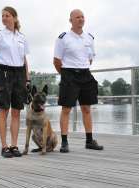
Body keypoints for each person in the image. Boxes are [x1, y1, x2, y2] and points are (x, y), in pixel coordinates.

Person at [53, 9, 103, 153]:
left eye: (82, 17)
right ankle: (64, 142)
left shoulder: (90, 38)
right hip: (69, 74)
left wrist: (83, 68)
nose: (80, 19)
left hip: (85, 75)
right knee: (66, 109)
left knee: (86, 108)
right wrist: (65, 75)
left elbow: (90, 58)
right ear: (71, 20)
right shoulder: (63, 38)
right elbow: (56, 61)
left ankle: (89, 141)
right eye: (77, 17)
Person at [0, 6, 30, 158]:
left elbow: (24, 59)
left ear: (14, 17)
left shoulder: (22, 37)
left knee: (16, 111)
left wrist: (27, 78)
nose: (4, 18)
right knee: (3, 111)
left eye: (7, 15)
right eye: (3, 16)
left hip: (20, 73)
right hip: (5, 73)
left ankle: (14, 145)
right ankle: (4, 146)